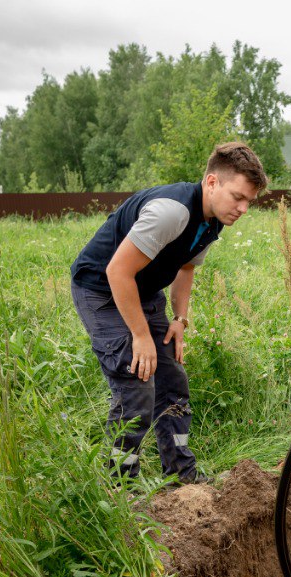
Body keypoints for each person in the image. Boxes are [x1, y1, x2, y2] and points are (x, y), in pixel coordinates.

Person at [69, 142, 266, 483]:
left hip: (142, 291)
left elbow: (185, 268)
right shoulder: (171, 212)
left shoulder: (211, 221)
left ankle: (180, 476)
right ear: (211, 182)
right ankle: (120, 487)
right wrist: (141, 336)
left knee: (173, 382)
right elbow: (118, 272)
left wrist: (179, 319)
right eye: (238, 196)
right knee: (137, 383)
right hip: (101, 289)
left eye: (249, 200)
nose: (244, 208)